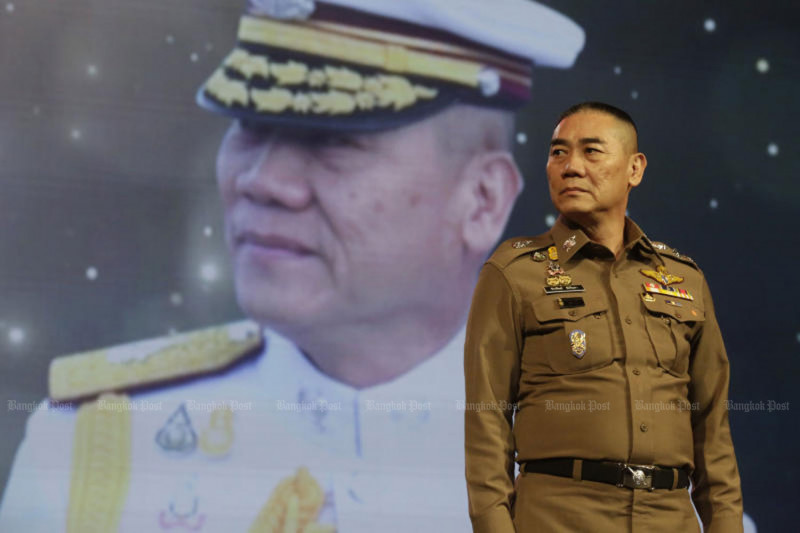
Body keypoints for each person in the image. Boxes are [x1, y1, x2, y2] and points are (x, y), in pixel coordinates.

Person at [0, 1, 584, 532]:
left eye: (334, 142)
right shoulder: (96, 449)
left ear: (481, 200)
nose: (262, 181)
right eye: (251, 127)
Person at [464, 102, 743, 533]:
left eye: (591, 151)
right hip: (558, 517)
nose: (570, 166)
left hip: (670, 519)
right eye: (558, 152)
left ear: (635, 169)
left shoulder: (683, 277)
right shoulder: (513, 272)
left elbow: (712, 427)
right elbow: (487, 420)